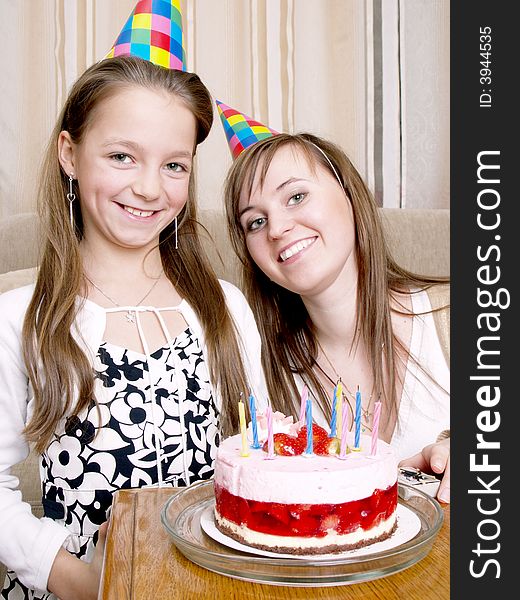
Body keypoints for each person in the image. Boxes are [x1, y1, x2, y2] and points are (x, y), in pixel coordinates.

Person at [0, 48, 267, 600]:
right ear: (69, 153)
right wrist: (78, 581)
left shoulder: (225, 308)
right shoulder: (22, 319)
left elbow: (261, 454)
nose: (150, 188)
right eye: (123, 156)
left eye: (174, 165)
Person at [220, 121, 450, 503]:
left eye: (295, 197)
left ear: (350, 194)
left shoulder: (455, 316)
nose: (276, 228)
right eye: (255, 221)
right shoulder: (258, 370)